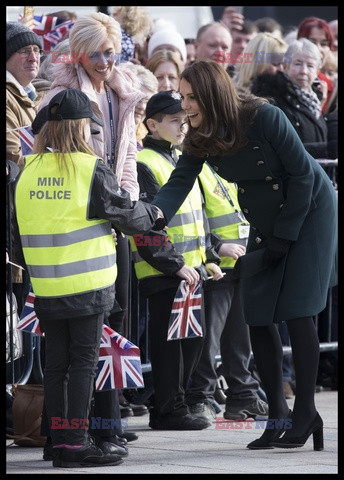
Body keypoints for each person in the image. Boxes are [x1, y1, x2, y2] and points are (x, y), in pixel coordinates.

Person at [151, 60, 337, 450]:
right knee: (258, 312)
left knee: (298, 309)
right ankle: (277, 415)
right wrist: (153, 215)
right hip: (268, 219)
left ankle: (305, 412)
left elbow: (303, 175)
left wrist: (283, 239)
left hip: (310, 211)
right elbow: (180, 180)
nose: (184, 105)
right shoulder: (199, 133)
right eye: (182, 98)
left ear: (212, 94)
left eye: (190, 97)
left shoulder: (263, 116)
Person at [12, 89, 161, 468]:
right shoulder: (89, 167)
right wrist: (154, 213)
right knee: (83, 363)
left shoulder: (26, 170)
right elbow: (125, 215)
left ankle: (60, 441)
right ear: (82, 127)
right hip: (88, 285)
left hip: (46, 286)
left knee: (57, 365)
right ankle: (76, 443)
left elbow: (16, 234)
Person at [37, 10, 146, 447]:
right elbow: (49, 158)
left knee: (113, 323)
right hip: (76, 225)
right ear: (78, 53)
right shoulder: (60, 97)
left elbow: (129, 156)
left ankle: (108, 423)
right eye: (95, 54)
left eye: (110, 52)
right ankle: (71, 432)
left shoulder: (123, 92)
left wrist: (128, 202)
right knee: (77, 339)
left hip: (113, 218)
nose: (104, 62)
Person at [130, 90, 224, 430]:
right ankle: (168, 409)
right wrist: (173, 265)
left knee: (192, 342)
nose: (182, 126)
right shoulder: (145, 163)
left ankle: (176, 405)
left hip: (191, 271)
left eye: (184, 120)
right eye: (174, 121)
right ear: (152, 125)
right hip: (166, 272)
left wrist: (209, 257)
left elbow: (197, 217)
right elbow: (145, 226)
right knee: (171, 346)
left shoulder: (179, 158)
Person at [186, 161, 269, 421]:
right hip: (215, 268)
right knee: (208, 339)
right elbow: (192, 220)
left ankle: (243, 395)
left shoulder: (228, 167)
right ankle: (201, 397)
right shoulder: (197, 168)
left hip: (240, 265)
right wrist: (217, 247)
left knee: (239, 338)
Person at [6, 21, 44, 314]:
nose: (33, 57)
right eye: (23, 51)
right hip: (14, 216)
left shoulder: (34, 95)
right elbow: (14, 154)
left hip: (29, 216)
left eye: (36, 50)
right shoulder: (8, 96)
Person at [251, 38, 329, 159]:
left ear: (317, 71)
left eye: (310, 66)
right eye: (297, 64)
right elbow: (285, 148)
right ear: (286, 66)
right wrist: (328, 149)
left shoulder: (315, 101)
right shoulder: (275, 99)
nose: (303, 71)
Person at [296, 17, 335, 113]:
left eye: (324, 44)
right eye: (312, 42)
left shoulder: (327, 84)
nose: (318, 48)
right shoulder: (286, 79)